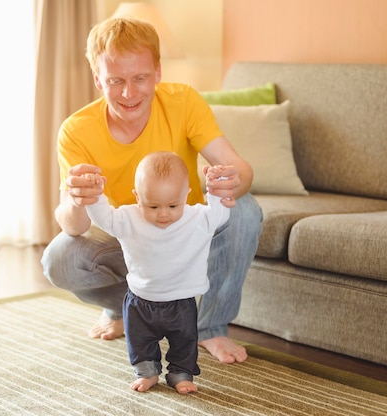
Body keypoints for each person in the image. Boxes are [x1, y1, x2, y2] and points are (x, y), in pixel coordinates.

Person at [41, 16, 262, 367]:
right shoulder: (77, 130)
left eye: (140, 78)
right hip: (129, 238)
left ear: (157, 72)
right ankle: (125, 309)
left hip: (187, 231)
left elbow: (240, 168)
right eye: (115, 81)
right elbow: (74, 226)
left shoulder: (183, 102)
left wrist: (231, 181)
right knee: (59, 257)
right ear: (98, 79)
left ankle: (210, 327)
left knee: (246, 210)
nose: (129, 93)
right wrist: (76, 198)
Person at [84, 152, 230, 394]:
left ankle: (181, 374)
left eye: (173, 205)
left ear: (186, 196)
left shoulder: (196, 218)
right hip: (140, 301)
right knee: (140, 342)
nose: (164, 214)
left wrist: (216, 189)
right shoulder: (128, 217)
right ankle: (147, 372)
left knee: (185, 342)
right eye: (153, 206)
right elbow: (104, 218)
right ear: (138, 198)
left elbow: (220, 215)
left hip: (180, 302)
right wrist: (95, 196)